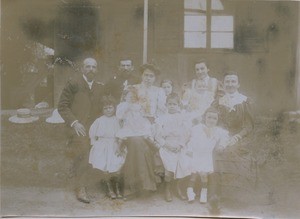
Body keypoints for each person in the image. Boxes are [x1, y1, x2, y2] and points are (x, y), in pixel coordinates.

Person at [58, 57, 105, 203]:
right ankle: (80, 187)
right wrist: (74, 122)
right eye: (88, 66)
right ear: (83, 69)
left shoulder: (99, 87)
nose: (91, 69)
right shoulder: (73, 83)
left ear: (97, 70)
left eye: (94, 67)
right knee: (83, 148)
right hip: (78, 127)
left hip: (94, 128)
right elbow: (62, 106)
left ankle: (108, 184)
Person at [122, 63, 167, 199]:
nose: (148, 78)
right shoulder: (134, 89)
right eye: (146, 75)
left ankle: (139, 186)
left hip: (153, 126)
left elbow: (162, 112)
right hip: (135, 125)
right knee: (136, 141)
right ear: (141, 76)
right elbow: (126, 108)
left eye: (151, 76)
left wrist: (154, 123)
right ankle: (141, 186)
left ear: (155, 78)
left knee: (141, 142)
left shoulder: (159, 91)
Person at [213, 71, 255, 208]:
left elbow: (248, 126)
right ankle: (221, 194)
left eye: (233, 82)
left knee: (234, 151)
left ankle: (237, 196)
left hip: (241, 136)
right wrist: (222, 136)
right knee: (218, 151)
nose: (230, 84)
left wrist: (237, 137)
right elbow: (213, 121)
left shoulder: (244, 101)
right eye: (227, 82)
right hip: (222, 134)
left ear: (238, 84)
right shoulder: (218, 102)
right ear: (223, 85)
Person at [186, 107, 229, 214]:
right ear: (204, 117)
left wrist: (222, 146)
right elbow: (191, 140)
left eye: (214, 118)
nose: (211, 120)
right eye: (209, 117)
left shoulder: (219, 131)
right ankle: (190, 191)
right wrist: (190, 150)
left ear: (217, 120)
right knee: (194, 173)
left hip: (206, 155)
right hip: (196, 153)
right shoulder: (197, 128)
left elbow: (225, 138)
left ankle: (203, 193)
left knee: (204, 175)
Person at [154, 93, 190, 202]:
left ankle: (178, 187)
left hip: (179, 145)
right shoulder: (161, 119)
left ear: (179, 105)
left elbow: (186, 133)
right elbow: (158, 135)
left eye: (174, 104)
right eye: (170, 104)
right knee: (169, 168)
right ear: (166, 105)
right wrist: (167, 145)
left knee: (184, 164)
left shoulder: (183, 118)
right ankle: (168, 188)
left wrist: (180, 145)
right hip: (167, 145)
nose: (172, 106)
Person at [89, 96, 126, 199]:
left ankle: (117, 188)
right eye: (105, 108)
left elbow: (122, 133)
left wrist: (120, 145)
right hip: (102, 146)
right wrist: (95, 145)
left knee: (117, 166)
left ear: (114, 108)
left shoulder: (117, 120)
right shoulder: (99, 121)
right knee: (104, 168)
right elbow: (92, 134)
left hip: (115, 145)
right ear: (102, 110)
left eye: (110, 107)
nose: (108, 110)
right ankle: (109, 189)